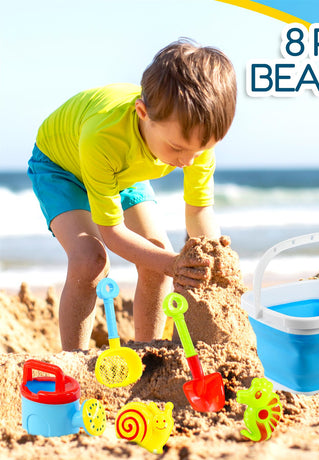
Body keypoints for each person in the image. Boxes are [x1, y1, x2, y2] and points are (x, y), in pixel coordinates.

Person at [27, 39, 237, 351]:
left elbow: (199, 211)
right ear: (142, 113)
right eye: (177, 148)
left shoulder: (194, 140)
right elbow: (112, 233)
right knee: (90, 260)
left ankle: (146, 351)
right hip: (61, 167)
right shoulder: (103, 136)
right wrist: (172, 263)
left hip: (125, 171)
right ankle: (73, 359)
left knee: (157, 251)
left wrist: (212, 256)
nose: (187, 161)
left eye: (201, 150)